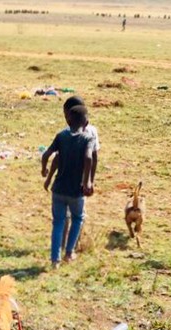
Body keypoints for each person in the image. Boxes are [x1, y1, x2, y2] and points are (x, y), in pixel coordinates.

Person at [41, 105, 96, 269]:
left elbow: (46, 154)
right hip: (75, 191)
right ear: (86, 123)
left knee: (58, 222)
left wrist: (44, 170)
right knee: (77, 218)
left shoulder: (61, 136)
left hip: (58, 189)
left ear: (67, 120)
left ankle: (54, 260)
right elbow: (88, 158)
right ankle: (69, 252)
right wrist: (87, 181)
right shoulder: (88, 139)